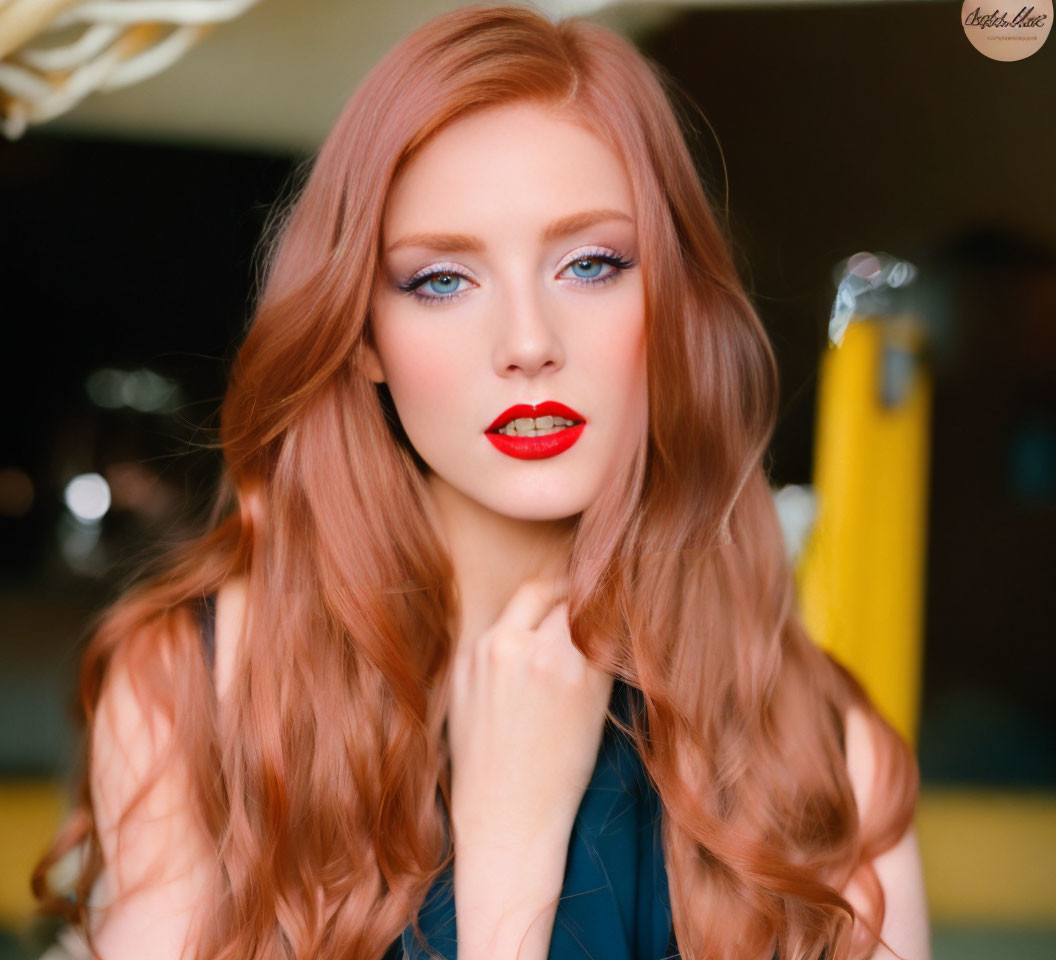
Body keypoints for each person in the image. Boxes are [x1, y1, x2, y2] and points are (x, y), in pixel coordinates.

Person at [31, 4, 930, 959]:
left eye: (591, 264)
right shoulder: (197, 694)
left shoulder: (821, 750)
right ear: (364, 336)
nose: (529, 344)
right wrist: (510, 849)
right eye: (442, 280)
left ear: (671, 299)